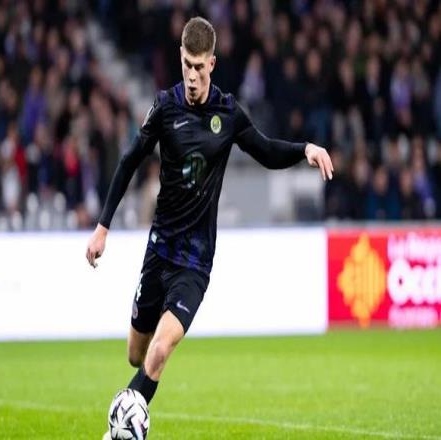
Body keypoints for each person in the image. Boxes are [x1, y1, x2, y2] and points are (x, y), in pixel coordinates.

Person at [86, 16, 333, 417]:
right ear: (180, 58)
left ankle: (121, 426)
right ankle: (130, 409)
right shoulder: (164, 107)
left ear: (212, 64)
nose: (192, 75)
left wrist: (305, 149)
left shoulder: (228, 113)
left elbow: (266, 151)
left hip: (195, 262)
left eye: (199, 67)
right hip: (158, 252)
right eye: (187, 64)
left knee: (160, 351)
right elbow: (130, 160)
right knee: (136, 354)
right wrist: (102, 228)